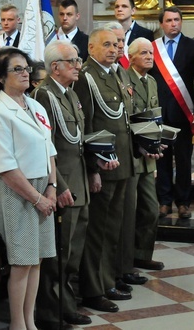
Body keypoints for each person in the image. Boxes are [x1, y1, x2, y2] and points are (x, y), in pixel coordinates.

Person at [0, 47, 57, 330]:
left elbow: (48, 149)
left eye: (26, 67)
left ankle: (30, 321)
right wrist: (37, 197)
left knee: (36, 259)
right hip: (17, 191)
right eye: (17, 69)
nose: (25, 72)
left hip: (41, 187)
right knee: (21, 261)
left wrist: (51, 187)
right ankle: (17, 324)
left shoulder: (34, 105)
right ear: (1, 77)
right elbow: (5, 167)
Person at [32, 40, 91, 329]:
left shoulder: (68, 94)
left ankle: (66, 304)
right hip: (63, 184)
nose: (78, 66)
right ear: (55, 67)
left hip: (78, 181)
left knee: (73, 253)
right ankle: (50, 310)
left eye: (78, 61)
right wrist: (61, 185)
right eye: (73, 61)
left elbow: (76, 140)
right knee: (59, 254)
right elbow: (48, 147)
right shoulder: (44, 96)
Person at [74, 28, 133, 313]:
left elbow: (121, 119)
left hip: (120, 162)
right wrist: (91, 167)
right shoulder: (86, 76)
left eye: (116, 44)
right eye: (106, 45)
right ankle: (92, 288)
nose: (113, 49)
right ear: (91, 48)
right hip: (103, 164)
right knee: (97, 230)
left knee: (112, 228)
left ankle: (108, 278)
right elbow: (85, 126)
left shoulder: (115, 73)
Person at [150, 6, 194, 220]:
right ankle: (164, 201)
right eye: (169, 20)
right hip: (160, 113)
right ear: (162, 24)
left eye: (177, 20)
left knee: (183, 160)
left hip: (184, 112)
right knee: (161, 159)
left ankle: (183, 202)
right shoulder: (153, 48)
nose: (174, 24)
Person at [121, 37, 165, 282]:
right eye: (144, 53)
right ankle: (126, 262)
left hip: (149, 157)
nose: (150, 56)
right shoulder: (124, 80)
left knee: (151, 209)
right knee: (129, 212)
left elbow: (153, 114)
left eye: (151, 53)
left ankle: (142, 253)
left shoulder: (152, 81)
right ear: (132, 57)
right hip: (132, 155)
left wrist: (159, 139)